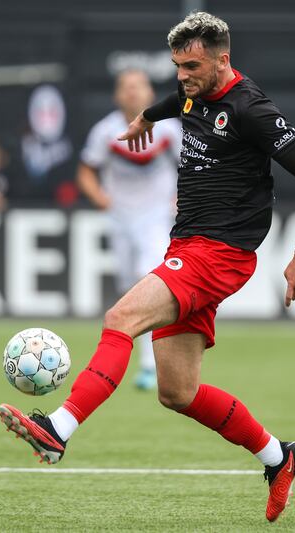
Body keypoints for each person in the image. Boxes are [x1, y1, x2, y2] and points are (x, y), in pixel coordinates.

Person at [0, 11, 295, 522]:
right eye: (177, 65)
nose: (183, 75)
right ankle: (278, 456)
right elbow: (180, 100)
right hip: (193, 245)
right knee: (178, 393)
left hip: (216, 253)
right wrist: (148, 118)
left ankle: (57, 429)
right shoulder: (194, 91)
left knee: (119, 320)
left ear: (224, 58)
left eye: (192, 65)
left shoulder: (251, 109)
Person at [77, 69, 181, 390]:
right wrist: (99, 197)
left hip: (156, 217)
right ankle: (136, 358)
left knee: (147, 277)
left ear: (150, 93)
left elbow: (191, 168)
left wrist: (179, 199)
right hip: (120, 218)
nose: (133, 92)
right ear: (117, 95)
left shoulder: (169, 130)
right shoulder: (105, 131)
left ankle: (150, 366)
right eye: (126, 87)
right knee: (128, 286)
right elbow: (86, 170)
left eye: (139, 86)